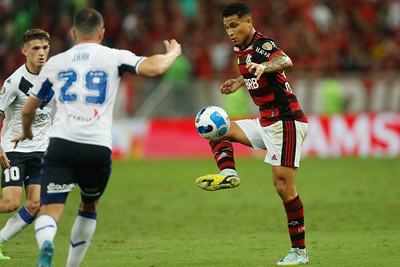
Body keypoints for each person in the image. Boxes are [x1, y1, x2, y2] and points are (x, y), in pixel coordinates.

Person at [12, 8, 181, 267]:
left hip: (61, 144)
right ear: (102, 33)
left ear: (73, 33)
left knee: (51, 208)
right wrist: (172, 53)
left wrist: (26, 130)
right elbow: (156, 67)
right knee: (89, 206)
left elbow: (28, 110)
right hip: (96, 146)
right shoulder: (114, 56)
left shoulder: (55, 63)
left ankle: (47, 243)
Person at [195, 2, 309, 265]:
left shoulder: (262, 45)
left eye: (234, 25)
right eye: (226, 27)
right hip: (266, 121)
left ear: (249, 22)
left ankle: (299, 252)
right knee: (216, 127)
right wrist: (238, 80)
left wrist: (265, 67)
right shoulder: (241, 49)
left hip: (286, 122)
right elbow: (249, 68)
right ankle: (228, 173)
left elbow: (285, 60)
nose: (230, 32)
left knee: (283, 187)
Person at [0, 28, 52, 260]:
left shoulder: (54, 76)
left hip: (41, 151)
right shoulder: (14, 82)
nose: (41, 53)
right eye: (36, 49)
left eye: (45, 48)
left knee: (35, 204)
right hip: (14, 150)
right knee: (10, 203)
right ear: (25, 51)